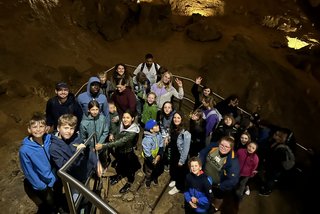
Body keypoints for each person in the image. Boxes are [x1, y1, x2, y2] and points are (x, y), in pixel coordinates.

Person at [19, 112, 60, 213]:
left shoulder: (49, 139)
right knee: (50, 203)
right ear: (29, 129)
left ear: (46, 128)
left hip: (54, 177)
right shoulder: (25, 150)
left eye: (41, 126)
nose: (38, 129)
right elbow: (28, 171)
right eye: (34, 127)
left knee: (57, 198)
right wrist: (41, 186)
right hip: (42, 184)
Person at [95, 110, 141, 194]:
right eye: (124, 117)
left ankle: (130, 181)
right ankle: (120, 175)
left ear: (132, 119)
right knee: (120, 164)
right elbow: (115, 129)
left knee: (129, 168)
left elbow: (119, 142)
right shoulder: (121, 125)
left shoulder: (132, 132)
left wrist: (103, 145)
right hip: (120, 151)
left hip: (128, 153)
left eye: (128, 118)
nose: (125, 120)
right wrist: (112, 134)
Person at [50, 114, 102, 184]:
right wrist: (78, 154)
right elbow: (65, 168)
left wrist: (96, 162)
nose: (69, 131)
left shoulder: (76, 137)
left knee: (87, 188)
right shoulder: (54, 148)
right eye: (66, 128)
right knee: (77, 194)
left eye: (72, 128)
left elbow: (88, 150)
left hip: (85, 171)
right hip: (74, 179)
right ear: (58, 128)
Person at [199, 136, 240, 213]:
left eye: (226, 146)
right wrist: (199, 166)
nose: (223, 148)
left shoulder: (233, 161)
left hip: (217, 185)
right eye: (221, 145)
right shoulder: (214, 147)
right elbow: (203, 153)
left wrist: (220, 186)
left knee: (218, 197)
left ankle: (216, 207)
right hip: (205, 178)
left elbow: (233, 180)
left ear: (231, 148)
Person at [79, 100, 109, 170]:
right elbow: (83, 137)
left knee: (103, 157)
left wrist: (100, 143)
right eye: (92, 109)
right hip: (91, 148)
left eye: (96, 109)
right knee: (93, 161)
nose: (95, 112)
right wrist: (90, 147)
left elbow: (105, 131)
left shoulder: (102, 118)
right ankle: (94, 172)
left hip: (101, 144)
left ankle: (104, 168)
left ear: (99, 110)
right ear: (89, 110)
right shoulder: (84, 123)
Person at [167, 111, 191, 195]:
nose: (176, 119)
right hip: (174, 153)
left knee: (181, 172)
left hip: (180, 155)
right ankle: (174, 179)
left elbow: (186, 149)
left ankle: (178, 186)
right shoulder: (173, 128)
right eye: (174, 117)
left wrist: (182, 160)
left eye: (178, 118)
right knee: (174, 168)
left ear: (182, 119)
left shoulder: (186, 133)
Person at [141, 119, 164, 188]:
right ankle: (148, 180)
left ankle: (155, 177)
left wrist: (159, 155)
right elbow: (147, 153)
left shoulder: (158, 134)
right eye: (155, 126)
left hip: (157, 157)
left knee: (156, 169)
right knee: (149, 171)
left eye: (157, 124)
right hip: (149, 159)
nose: (158, 126)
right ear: (151, 130)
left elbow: (161, 144)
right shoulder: (146, 140)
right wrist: (153, 160)